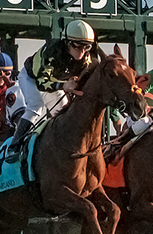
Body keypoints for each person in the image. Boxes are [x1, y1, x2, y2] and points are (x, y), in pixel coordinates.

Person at [6, 19, 98, 160]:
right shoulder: (53, 51)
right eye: (78, 46)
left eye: (87, 47)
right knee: (35, 107)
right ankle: (14, 147)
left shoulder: (88, 58)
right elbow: (42, 83)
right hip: (32, 78)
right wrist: (64, 86)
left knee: (65, 111)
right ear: (67, 42)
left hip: (56, 81)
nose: (82, 52)